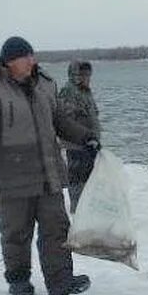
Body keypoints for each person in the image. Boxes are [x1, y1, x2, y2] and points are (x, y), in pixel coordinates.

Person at [0, 37, 101, 295]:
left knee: (57, 228)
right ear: (9, 61)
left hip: (49, 173)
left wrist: (85, 137)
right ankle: (18, 280)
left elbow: (59, 120)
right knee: (16, 232)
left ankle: (60, 282)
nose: (31, 61)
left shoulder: (46, 85)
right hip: (12, 175)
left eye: (32, 56)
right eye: (24, 57)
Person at [58, 60, 101, 212]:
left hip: (90, 145)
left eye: (88, 74)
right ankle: (78, 212)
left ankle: (87, 211)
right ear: (74, 75)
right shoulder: (68, 92)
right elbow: (65, 121)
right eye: (82, 75)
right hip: (76, 146)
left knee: (89, 180)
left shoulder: (86, 92)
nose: (86, 78)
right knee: (77, 181)